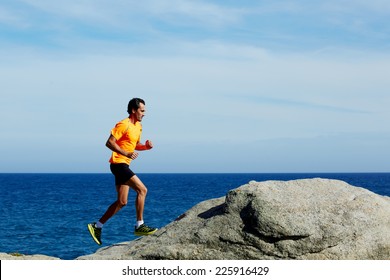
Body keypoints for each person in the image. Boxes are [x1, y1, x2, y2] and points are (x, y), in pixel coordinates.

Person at [88, 98, 157, 245]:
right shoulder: (123, 124)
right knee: (142, 190)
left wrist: (146, 147)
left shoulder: (138, 126)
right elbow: (109, 142)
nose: (144, 114)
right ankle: (140, 225)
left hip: (123, 164)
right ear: (133, 110)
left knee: (122, 202)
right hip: (118, 164)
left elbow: (134, 145)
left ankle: (97, 226)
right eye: (142, 110)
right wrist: (125, 154)